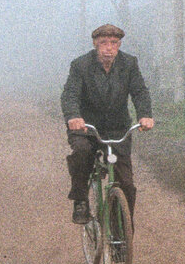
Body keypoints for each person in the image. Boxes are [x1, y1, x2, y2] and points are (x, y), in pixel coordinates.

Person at [61, 23, 154, 225]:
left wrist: (145, 115)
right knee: (82, 152)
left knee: (127, 184)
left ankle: (121, 235)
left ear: (119, 45)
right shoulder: (81, 65)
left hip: (117, 128)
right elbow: (70, 94)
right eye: (104, 43)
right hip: (86, 127)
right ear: (95, 44)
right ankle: (80, 200)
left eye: (114, 43)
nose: (109, 48)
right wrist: (73, 116)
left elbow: (139, 92)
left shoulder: (129, 64)